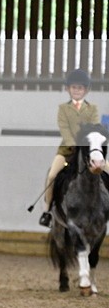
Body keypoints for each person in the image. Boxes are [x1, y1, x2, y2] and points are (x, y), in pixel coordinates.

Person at [39, 69, 101, 227]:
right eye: (74, 88)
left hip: (88, 149)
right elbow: (64, 129)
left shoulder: (92, 109)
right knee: (52, 175)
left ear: (86, 90)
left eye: (80, 88)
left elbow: (93, 127)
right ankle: (47, 212)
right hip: (67, 149)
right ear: (68, 89)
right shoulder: (63, 109)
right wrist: (73, 144)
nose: (77, 91)